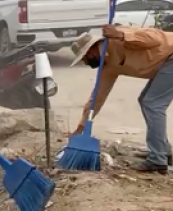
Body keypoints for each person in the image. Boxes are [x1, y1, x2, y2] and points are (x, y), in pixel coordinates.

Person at [71, 24, 173, 173]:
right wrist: (81, 127)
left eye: (84, 59)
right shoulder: (108, 65)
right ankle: (162, 150)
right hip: (164, 65)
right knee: (145, 101)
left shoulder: (120, 37)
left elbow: (155, 38)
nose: (86, 63)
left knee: (152, 104)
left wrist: (121, 35)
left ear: (90, 51)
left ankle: (158, 159)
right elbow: (97, 96)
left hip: (170, 56)